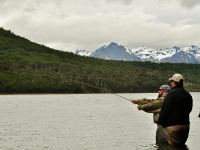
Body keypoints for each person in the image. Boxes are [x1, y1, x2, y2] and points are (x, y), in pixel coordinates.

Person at [158, 73, 193, 146]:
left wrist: (160, 123)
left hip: (172, 127)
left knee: (171, 147)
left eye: (171, 81)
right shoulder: (188, 95)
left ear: (174, 82)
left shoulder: (170, 94)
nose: (170, 83)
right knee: (181, 146)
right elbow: (190, 109)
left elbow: (164, 111)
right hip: (186, 125)